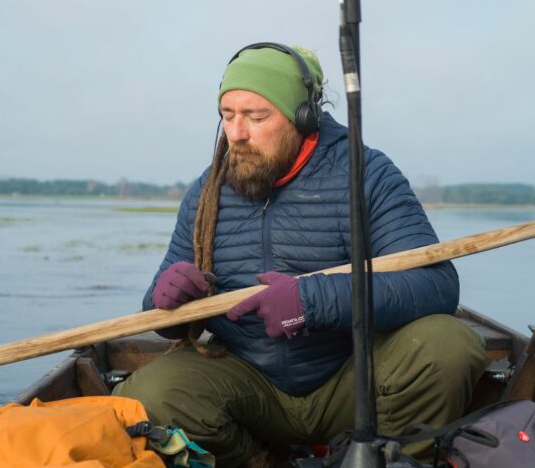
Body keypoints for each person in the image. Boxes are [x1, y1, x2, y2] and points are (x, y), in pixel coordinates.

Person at [114, 43, 487, 466]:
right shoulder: (208, 191)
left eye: (256, 117)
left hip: (353, 378)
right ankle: (258, 461)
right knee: (150, 394)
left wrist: (312, 303)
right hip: (249, 380)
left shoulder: (367, 174)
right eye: (227, 115)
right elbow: (158, 318)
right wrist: (165, 297)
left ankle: (392, 458)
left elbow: (436, 285)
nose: (236, 133)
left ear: (303, 118)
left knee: (446, 346)